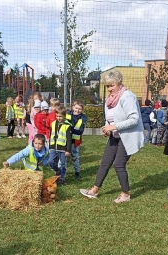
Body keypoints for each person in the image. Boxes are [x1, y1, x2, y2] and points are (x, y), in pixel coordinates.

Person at [80, 69, 144, 203]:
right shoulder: (109, 99)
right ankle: (94, 190)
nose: (109, 89)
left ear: (119, 83)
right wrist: (107, 128)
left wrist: (114, 126)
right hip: (114, 135)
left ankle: (125, 194)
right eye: (107, 86)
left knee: (119, 164)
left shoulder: (127, 96)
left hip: (127, 136)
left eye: (111, 85)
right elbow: (110, 118)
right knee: (105, 163)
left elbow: (134, 119)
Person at [48, 106, 72, 185]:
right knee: (50, 161)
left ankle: (62, 178)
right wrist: (50, 146)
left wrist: (68, 150)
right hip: (53, 148)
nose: (58, 118)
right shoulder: (53, 124)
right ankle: (57, 171)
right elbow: (51, 135)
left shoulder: (67, 125)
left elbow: (69, 139)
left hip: (62, 149)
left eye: (60, 116)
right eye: (57, 116)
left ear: (64, 116)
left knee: (63, 164)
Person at [66, 100, 88, 180]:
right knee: (62, 158)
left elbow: (81, 130)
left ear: (82, 110)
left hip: (75, 142)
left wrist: (71, 130)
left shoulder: (82, 118)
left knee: (75, 158)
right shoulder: (67, 115)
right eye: (76, 108)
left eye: (80, 109)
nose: (77, 110)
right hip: (65, 141)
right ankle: (60, 173)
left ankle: (77, 173)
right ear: (72, 107)